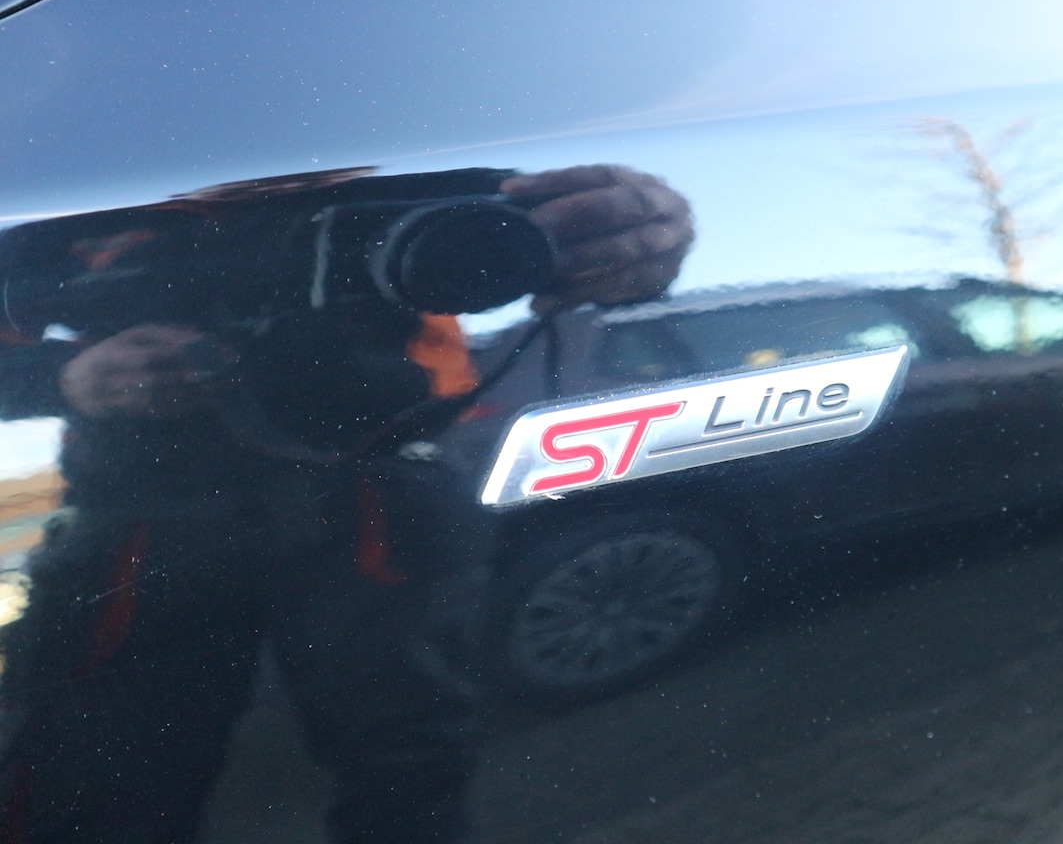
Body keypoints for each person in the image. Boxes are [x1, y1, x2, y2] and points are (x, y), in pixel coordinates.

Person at [0, 163, 694, 844]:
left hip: (379, 493)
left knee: (410, 761)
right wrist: (68, 377)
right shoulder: (69, 209)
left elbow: (585, 236)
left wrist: (636, 230)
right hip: (145, 517)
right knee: (97, 771)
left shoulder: (430, 177)